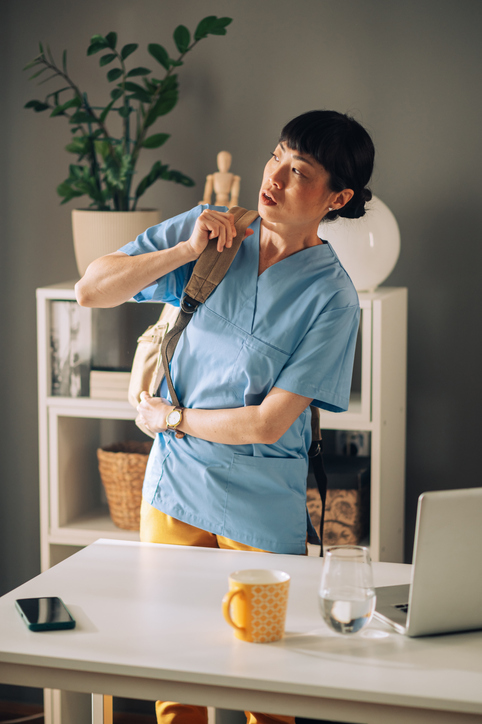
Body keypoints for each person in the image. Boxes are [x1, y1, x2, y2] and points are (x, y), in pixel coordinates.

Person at [75, 109, 375, 724]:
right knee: (175, 681)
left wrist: (172, 419)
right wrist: (187, 249)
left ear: (337, 198)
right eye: (275, 156)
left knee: (266, 690)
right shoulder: (211, 233)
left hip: (260, 507)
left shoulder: (333, 297)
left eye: (300, 171)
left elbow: (268, 424)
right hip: (176, 491)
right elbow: (92, 289)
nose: (274, 177)